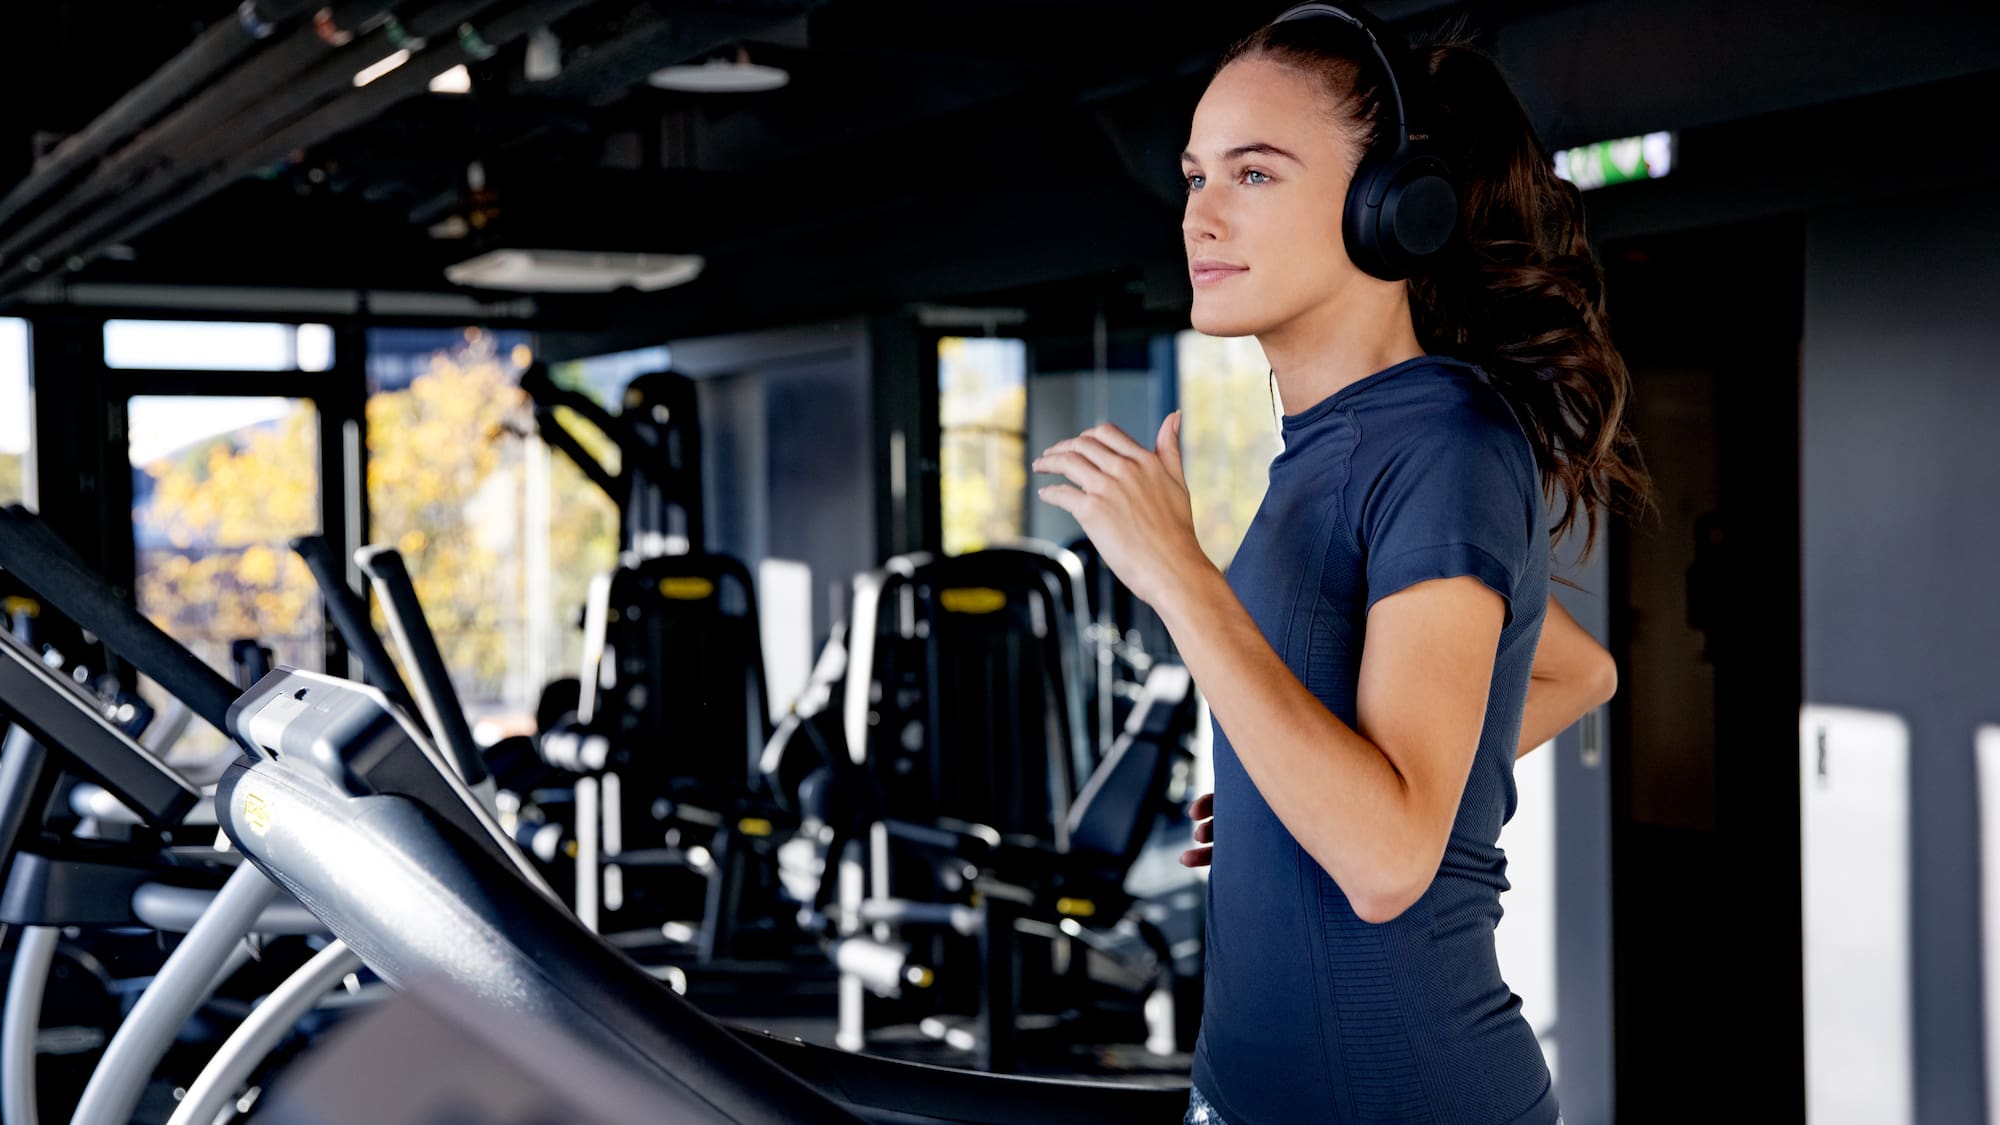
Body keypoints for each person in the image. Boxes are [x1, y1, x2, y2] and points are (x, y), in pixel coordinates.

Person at [1032, 5, 1645, 1123]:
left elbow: (1387, 863)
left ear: (1390, 209)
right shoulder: (1332, 446)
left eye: (1254, 174)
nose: (1200, 214)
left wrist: (1178, 574)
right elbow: (1572, 670)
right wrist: (1290, 792)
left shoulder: (1443, 445)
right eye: (1194, 176)